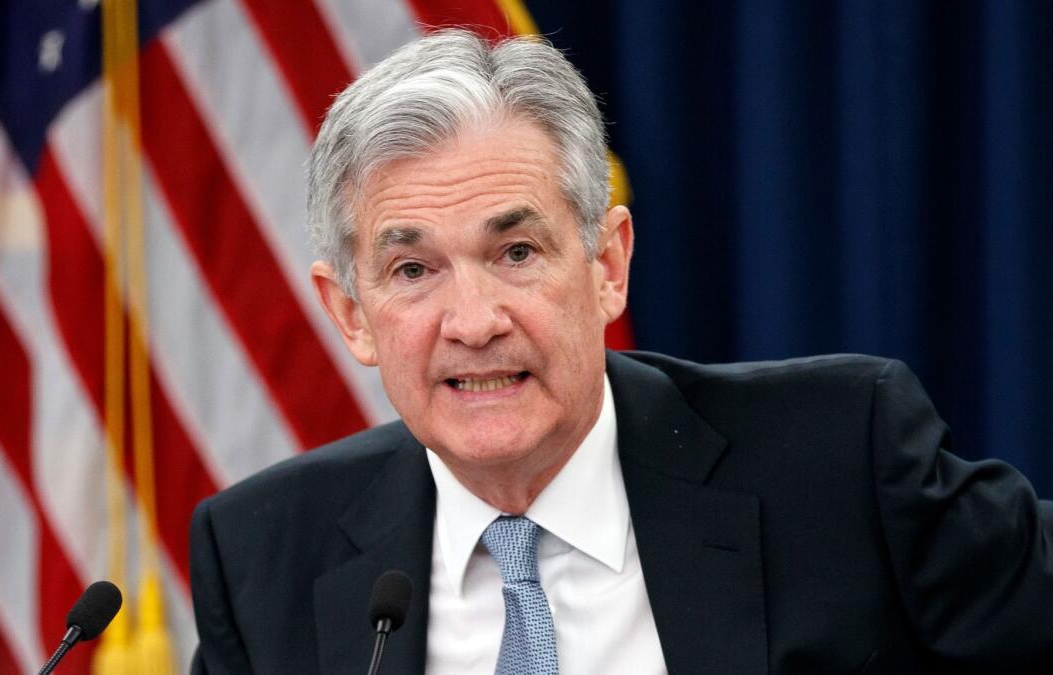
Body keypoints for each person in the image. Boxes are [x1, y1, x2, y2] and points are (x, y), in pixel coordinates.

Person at [188, 29, 1053, 674]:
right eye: (413, 269)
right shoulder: (265, 560)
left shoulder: (840, 460)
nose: (474, 319)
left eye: (516, 252)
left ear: (607, 265)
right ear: (351, 313)